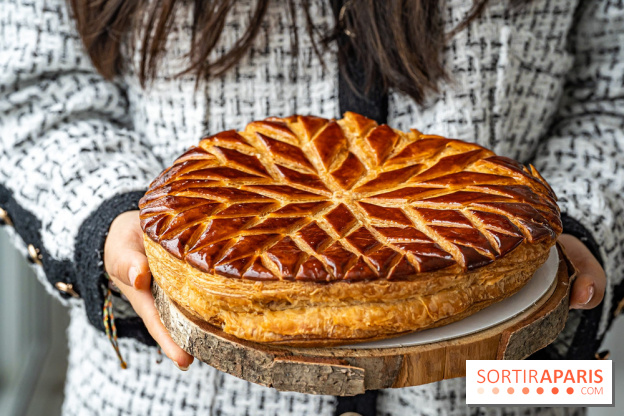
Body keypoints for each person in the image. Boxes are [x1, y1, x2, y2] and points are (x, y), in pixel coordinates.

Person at [0, 0, 621, 415]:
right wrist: (110, 218)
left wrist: (582, 224)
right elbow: (35, 84)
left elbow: (612, 89)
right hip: (171, 388)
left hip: (509, 380)